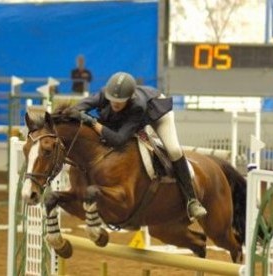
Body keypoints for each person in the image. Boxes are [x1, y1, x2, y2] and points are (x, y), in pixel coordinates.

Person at [72, 72, 207, 221]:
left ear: (129, 99)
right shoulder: (104, 93)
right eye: (112, 100)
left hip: (157, 113)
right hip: (128, 116)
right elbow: (75, 109)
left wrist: (92, 122)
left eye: (120, 101)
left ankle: (192, 200)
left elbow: (118, 139)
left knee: (174, 150)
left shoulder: (137, 106)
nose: (115, 103)